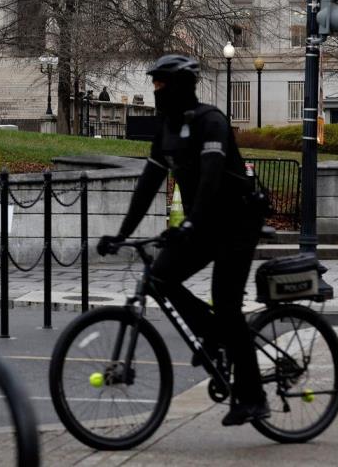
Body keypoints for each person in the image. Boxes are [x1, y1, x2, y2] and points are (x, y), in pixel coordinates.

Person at [97, 53, 269, 426]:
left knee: (226, 305)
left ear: (180, 86)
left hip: (237, 222)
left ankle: (254, 396)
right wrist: (122, 234)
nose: (157, 90)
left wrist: (190, 224)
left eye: (161, 84)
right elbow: (147, 185)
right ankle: (212, 334)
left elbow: (210, 179)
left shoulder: (211, 122)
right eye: (154, 84)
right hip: (203, 223)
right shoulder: (168, 129)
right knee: (159, 277)